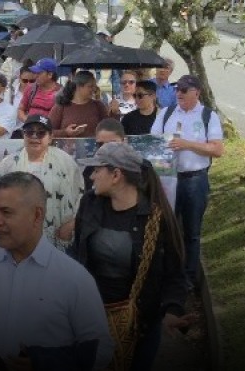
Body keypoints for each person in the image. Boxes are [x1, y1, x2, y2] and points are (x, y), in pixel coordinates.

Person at [0, 172, 112, 369]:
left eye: (6, 212)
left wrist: (47, 363)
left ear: (37, 215)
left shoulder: (74, 278)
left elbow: (101, 349)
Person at [73, 143, 193, 371]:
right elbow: (78, 253)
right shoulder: (89, 203)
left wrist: (172, 311)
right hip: (92, 318)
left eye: (97, 170)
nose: (92, 176)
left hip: (140, 326)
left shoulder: (156, 219)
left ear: (116, 175)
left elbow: (174, 273)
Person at [150, 74, 224, 291]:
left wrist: (187, 144)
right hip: (168, 179)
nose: (179, 94)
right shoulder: (167, 113)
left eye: (184, 90)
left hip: (195, 179)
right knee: (166, 228)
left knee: (191, 231)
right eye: (177, 89)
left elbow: (217, 149)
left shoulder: (208, 116)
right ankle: (168, 274)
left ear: (196, 93)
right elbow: (153, 142)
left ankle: (188, 279)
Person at [0, 115, 84, 251]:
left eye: (41, 133)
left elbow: (81, 196)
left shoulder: (66, 162)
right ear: (23, 135)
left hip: (57, 236)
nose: (34, 137)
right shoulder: (8, 164)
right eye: (30, 132)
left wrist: (71, 225)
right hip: (16, 236)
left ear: (50, 137)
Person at [49, 70, 116, 139]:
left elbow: (111, 129)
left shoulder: (98, 105)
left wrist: (114, 113)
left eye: (94, 86)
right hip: (67, 145)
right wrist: (66, 132)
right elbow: (48, 132)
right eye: (90, 86)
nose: (94, 89)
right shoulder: (61, 107)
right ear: (78, 86)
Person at [18, 58, 62, 122]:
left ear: (50, 75)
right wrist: (28, 121)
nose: (35, 76)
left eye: (39, 73)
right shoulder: (30, 88)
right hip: (29, 126)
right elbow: (20, 109)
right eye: (35, 73)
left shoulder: (61, 93)